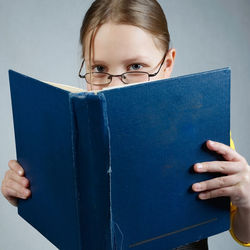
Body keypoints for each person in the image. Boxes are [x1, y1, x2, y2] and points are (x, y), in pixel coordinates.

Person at [1, 0, 250, 249]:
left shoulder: (203, 135)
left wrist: (246, 200)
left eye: (135, 67)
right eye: (99, 68)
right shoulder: (74, 137)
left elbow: (244, 232)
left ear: (167, 65)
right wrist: (28, 191)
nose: (115, 86)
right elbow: (64, 211)